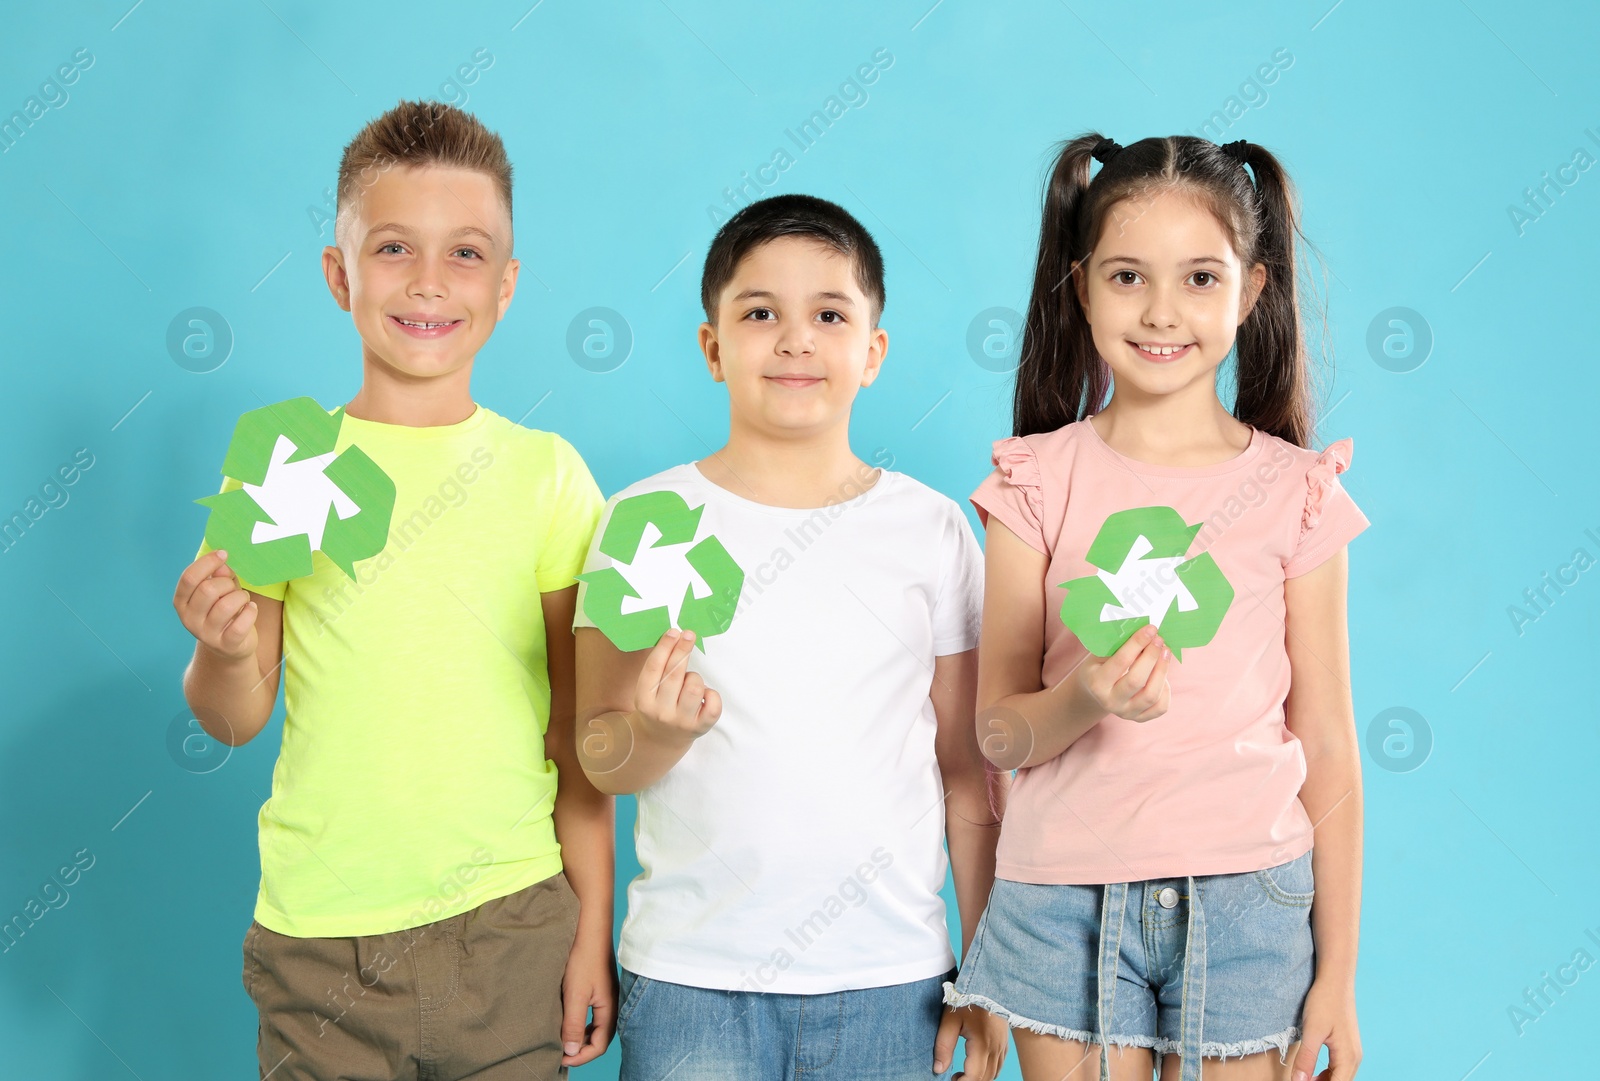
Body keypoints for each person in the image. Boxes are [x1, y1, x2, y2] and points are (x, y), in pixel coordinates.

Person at [171, 100, 615, 1080]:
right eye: (391, 249)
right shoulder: (285, 465)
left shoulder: (547, 475)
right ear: (338, 275)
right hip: (318, 937)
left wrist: (592, 927)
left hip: (511, 924)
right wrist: (223, 649)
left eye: (464, 254)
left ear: (505, 288)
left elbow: (576, 731)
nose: (426, 282)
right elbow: (234, 716)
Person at [944, 134, 1367, 1081]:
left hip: (1250, 899)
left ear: (1252, 293)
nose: (1163, 311)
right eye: (1129, 276)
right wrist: (1084, 698)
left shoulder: (1297, 491)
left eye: (1201, 279)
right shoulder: (1034, 484)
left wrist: (1337, 969)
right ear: (1080, 285)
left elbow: (1329, 740)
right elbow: (999, 735)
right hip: (1059, 899)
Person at [573, 194, 1010, 1081]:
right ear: (712, 345)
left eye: (829, 314)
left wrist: (990, 967)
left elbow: (968, 773)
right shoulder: (643, 522)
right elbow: (596, 757)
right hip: (692, 981)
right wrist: (655, 734)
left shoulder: (929, 530)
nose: (795, 338)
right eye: (760, 312)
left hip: (893, 981)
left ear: (873, 351)